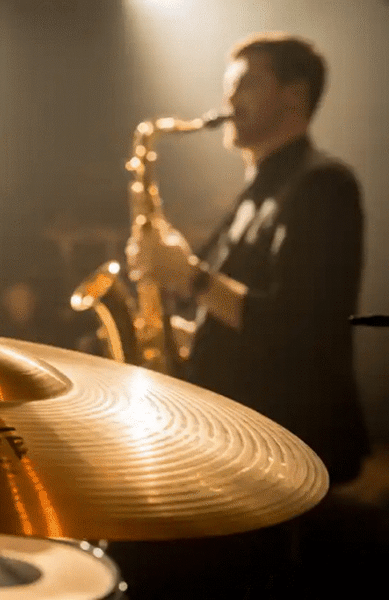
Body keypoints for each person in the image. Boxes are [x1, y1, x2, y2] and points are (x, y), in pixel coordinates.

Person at [114, 32, 375, 598]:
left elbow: (304, 328)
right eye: (228, 84)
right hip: (242, 432)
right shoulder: (258, 190)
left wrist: (191, 276)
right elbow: (236, 315)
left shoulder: (325, 186)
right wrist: (178, 328)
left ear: (295, 96)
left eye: (247, 83)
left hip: (288, 446)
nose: (228, 97)